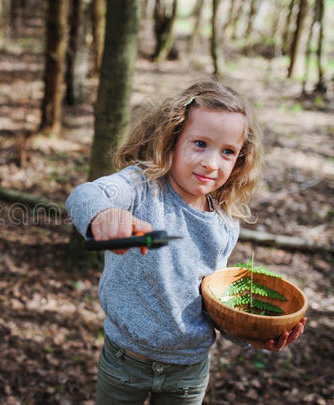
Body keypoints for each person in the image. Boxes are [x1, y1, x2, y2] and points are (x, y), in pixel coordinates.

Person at [66, 79, 306, 404]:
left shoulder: (224, 223)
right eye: (200, 144)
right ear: (172, 140)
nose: (211, 162)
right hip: (125, 360)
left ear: (241, 159)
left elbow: (211, 304)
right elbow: (85, 195)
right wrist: (102, 216)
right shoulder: (141, 187)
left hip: (188, 372)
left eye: (227, 152)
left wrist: (252, 335)